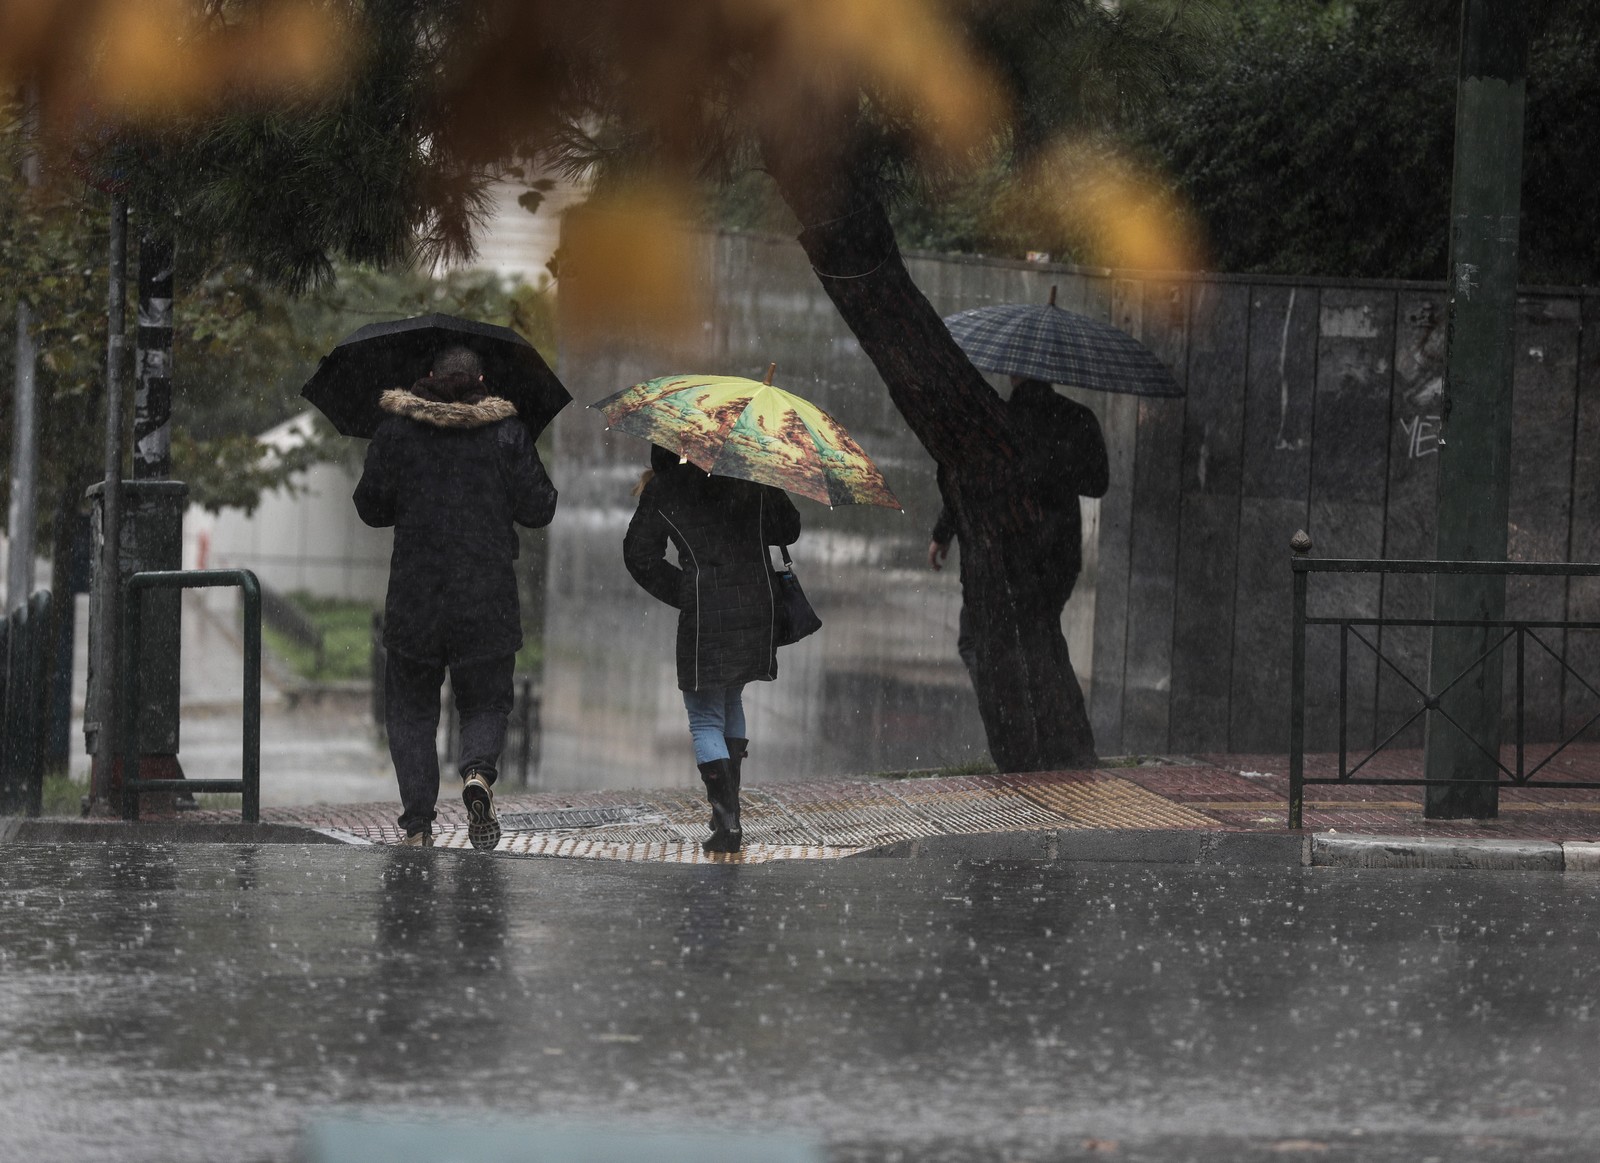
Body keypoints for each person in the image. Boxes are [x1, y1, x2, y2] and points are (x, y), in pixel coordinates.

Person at [354, 345, 557, 850]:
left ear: (427, 376)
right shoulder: (506, 432)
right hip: (485, 596)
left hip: (416, 598)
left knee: (411, 712)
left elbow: (369, 507)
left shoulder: (397, 430)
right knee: (486, 702)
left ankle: (419, 825)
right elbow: (541, 508)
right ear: (482, 379)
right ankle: (478, 775)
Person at [623, 444, 802, 853]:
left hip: (706, 613)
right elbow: (787, 529)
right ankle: (729, 814)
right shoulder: (746, 477)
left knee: (705, 717)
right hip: (756, 606)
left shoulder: (667, 488)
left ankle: (728, 822)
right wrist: (766, 477)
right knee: (731, 697)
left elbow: (638, 555)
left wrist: (686, 591)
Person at [928, 377, 1108, 680]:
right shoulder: (1078, 419)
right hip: (1059, 556)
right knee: (1037, 639)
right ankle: (1036, 710)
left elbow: (969, 478)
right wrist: (1057, 467)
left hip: (1006, 551)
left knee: (977, 640)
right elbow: (1098, 483)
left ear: (1014, 374)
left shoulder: (998, 420)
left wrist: (943, 533)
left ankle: (1011, 710)